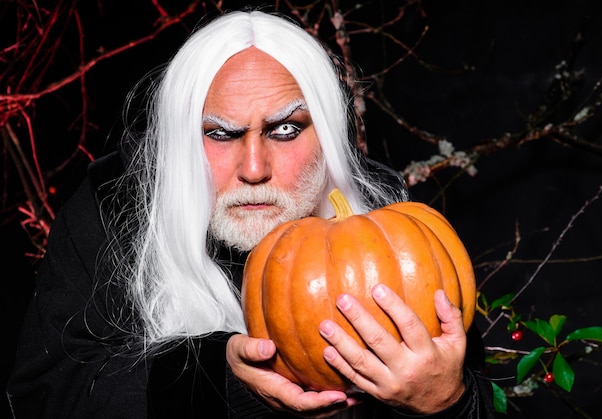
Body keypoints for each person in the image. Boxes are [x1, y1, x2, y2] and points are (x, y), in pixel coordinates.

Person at [7, 9, 495, 419]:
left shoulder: (387, 217)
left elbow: (472, 385)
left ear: (325, 133)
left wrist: (448, 402)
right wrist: (221, 382)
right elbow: (46, 396)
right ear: (181, 139)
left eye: (285, 129)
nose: (255, 169)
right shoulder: (114, 210)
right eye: (219, 133)